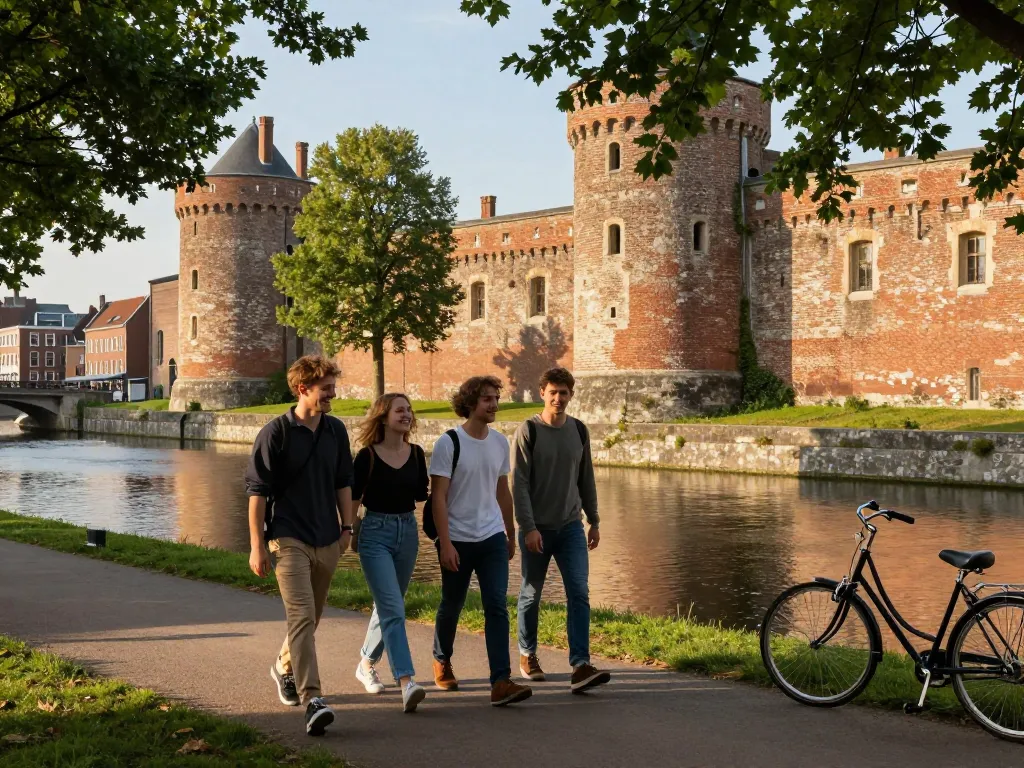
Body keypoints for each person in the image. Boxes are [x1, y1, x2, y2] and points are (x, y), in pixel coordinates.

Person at [244, 355, 355, 737]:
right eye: (326, 388)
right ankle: (314, 699)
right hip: (286, 537)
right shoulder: (275, 433)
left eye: (333, 387)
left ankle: (283, 666)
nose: (332, 394)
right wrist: (257, 545)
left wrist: (347, 529)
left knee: (312, 619)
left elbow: (344, 482)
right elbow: (257, 493)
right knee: (303, 616)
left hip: (328, 538)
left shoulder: (336, 431)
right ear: (302, 388)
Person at [429, 375, 533, 706]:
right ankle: (442, 658)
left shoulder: (500, 442)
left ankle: (500, 681)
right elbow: (438, 498)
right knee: (452, 605)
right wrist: (445, 544)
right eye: (488, 399)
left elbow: (502, 489)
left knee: (496, 606)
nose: (494, 405)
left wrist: (510, 531)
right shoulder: (449, 443)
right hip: (457, 539)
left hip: (491, 538)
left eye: (496, 398)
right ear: (471, 403)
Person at [513, 367, 611, 693]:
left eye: (564, 392)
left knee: (579, 592)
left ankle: (580, 665)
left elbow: (587, 479)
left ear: (571, 394)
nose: (558, 398)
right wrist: (527, 527)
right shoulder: (529, 431)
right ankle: (527, 655)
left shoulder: (579, 431)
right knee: (530, 594)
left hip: (570, 526)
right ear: (542, 392)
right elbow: (520, 484)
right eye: (553, 392)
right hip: (536, 528)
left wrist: (594, 520)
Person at [351, 393, 428, 713]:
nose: (407, 414)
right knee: (393, 607)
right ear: (383, 416)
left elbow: (423, 494)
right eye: (400, 410)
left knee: (388, 605)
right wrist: (348, 533)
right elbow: (352, 500)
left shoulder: (417, 454)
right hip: (374, 534)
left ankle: (366, 663)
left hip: (407, 533)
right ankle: (406, 680)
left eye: (409, 410)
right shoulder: (366, 457)